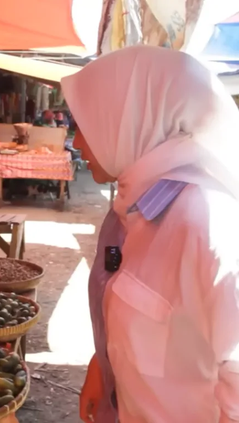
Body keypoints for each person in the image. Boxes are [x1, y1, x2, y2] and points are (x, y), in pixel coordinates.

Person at [61, 45, 239, 423]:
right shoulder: (128, 211)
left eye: (85, 125)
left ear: (130, 121)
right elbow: (126, 295)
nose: (76, 143)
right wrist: (103, 364)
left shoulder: (206, 224)